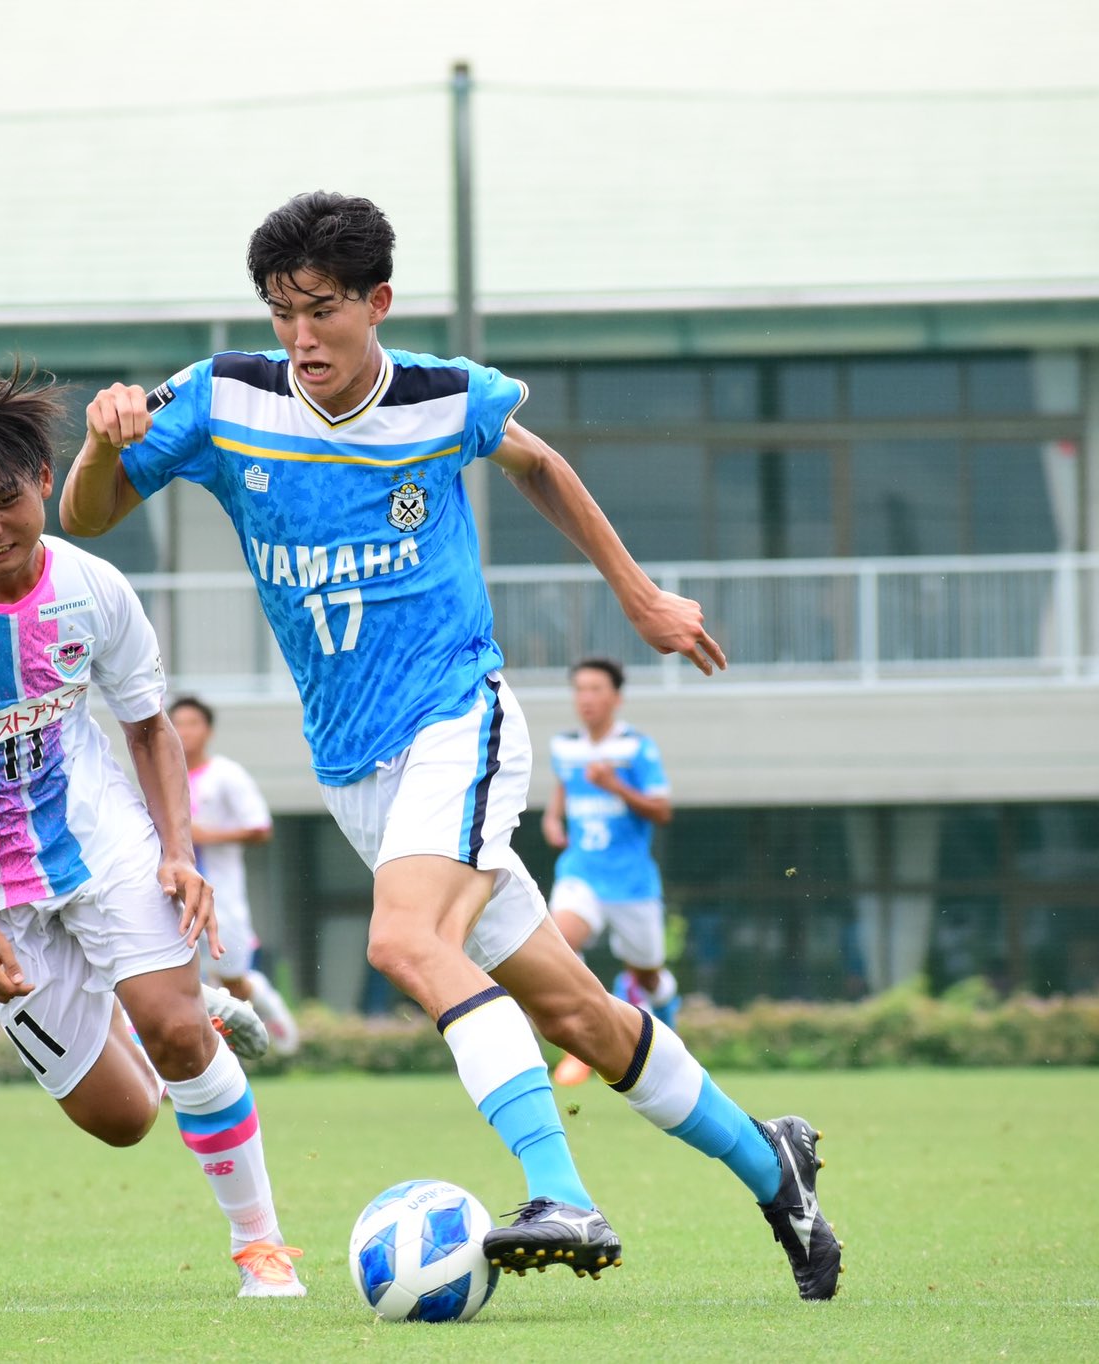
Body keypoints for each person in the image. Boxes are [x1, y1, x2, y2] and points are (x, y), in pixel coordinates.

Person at [60, 192, 840, 1300]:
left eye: (321, 310)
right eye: (280, 310)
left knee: (402, 941)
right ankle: (777, 1167)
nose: (299, 337)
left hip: (456, 721)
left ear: (376, 302)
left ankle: (556, 1184)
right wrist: (100, 446)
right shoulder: (223, 397)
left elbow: (535, 462)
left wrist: (637, 593)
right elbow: (85, 516)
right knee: (579, 1012)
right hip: (357, 771)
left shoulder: (441, 397)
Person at [0, 359, 305, 1296]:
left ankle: (261, 1247)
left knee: (177, 1041)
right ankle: (181, 1013)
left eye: (4, 500)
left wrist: (178, 849)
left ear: (44, 481)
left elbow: (146, 726)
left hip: (106, 847)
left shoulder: (95, 588)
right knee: (124, 1119)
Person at [541, 658, 678, 1087]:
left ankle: (661, 1008)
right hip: (581, 872)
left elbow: (662, 810)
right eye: (579, 689)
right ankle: (582, 1045)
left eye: (596, 689)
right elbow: (563, 782)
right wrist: (552, 819)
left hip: (631, 883)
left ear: (616, 697)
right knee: (559, 945)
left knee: (647, 973)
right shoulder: (565, 746)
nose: (586, 698)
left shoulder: (637, 748)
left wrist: (615, 786)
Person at [170, 694, 302, 1055]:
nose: (184, 732)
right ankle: (196, 1060)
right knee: (179, 981)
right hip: (175, 899)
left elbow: (260, 828)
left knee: (231, 979)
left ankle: (263, 999)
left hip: (222, 897)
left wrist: (204, 835)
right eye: (177, 724)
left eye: (192, 723)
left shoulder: (225, 774)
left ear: (208, 730)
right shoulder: (164, 778)